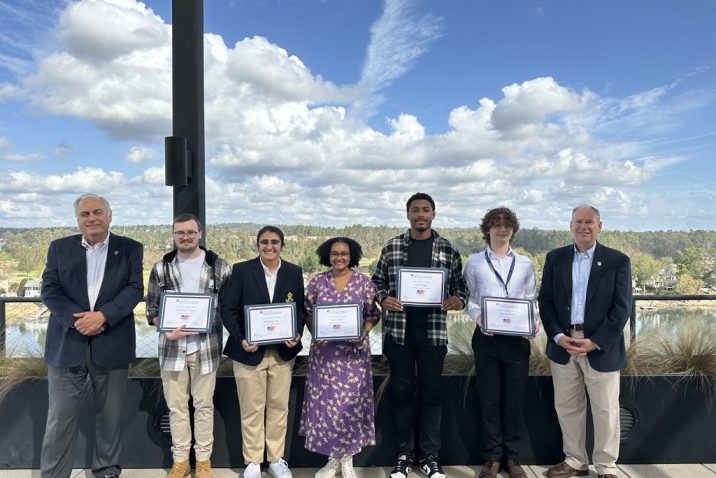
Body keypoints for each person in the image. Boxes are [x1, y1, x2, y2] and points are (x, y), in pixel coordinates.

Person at [40, 193, 144, 478]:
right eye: (85, 214)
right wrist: (79, 322)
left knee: (110, 418)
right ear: (78, 219)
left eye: (97, 212)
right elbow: (49, 290)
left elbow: (134, 290)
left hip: (112, 343)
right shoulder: (59, 248)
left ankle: (107, 471)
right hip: (67, 344)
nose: (92, 218)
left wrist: (103, 316)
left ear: (110, 216)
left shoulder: (131, 248)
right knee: (59, 420)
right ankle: (53, 474)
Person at [372, 192, 468, 478]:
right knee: (400, 394)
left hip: (433, 334)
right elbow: (376, 282)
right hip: (399, 335)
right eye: (416, 210)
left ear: (433, 214)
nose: (421, 215)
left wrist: (458, 301)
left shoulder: (448, 249)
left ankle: (429, 455)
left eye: (426, 210)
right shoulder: (391, 247)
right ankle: (403, 454)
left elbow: (460, 287)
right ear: (408, 215)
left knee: (432, 395)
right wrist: (384, 298)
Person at [538, 205, 632, 478]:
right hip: (564, 345)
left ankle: (606, 466)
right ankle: (574, 460)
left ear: (600, 226)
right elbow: (546, 302)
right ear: (570, 226)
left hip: (600, 348)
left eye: (589, 222)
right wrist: (557, 336)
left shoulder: (617, 261)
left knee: (605, 409)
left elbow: (621, 308)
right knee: (568, 407)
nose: (584, 227)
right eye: (578, 222)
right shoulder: (555, 258)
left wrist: (596, 341)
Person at [146, 213, 232, 478]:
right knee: (176, 407)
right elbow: (151, 308)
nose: (185, 237)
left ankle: (204, 460)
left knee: (204, 406)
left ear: (200, 233)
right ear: (173, 235)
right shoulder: (161, 267)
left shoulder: (219, 266)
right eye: (180, 233)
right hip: (171, 349)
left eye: (190, 232)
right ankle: (181, 460)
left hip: (206, 349)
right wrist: (164, 327)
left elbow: (230, 308)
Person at [220, 226, 305, 478]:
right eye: (264, 242)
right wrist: (242, 337)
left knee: (279, 407)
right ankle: (253, 461)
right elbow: (228, 309)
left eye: (275, 242)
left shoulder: (294, 272)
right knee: (251, 408)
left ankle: (276, 459)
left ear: (282, 245)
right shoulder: (242, 270)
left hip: (281, 353)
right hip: (249, 352)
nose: (270, 246)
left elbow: (299, 309)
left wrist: (296, 332)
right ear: (257, 244)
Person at [463, 207, 538, 478]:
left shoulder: (526, 264)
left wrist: (534, 322)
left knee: (515, 401)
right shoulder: (474, 262)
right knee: (489, 400)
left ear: (513, 229)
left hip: (517, 341)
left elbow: (531, 299)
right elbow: (469, 300)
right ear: (488, 229)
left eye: (507, 224)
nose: (502, 229)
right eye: (496, 224)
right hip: (486, 339)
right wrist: (479, 317)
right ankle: (492, 458)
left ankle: (513, 459)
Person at [299, 237, 380, 478]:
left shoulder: (364, 283)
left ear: (351, 255)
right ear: (327, 256)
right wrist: (316, 334)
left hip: (353, 355)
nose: (339, 258)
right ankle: (332, 460)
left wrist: (362, 334)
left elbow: (372, 315)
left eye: (344, 253)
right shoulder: (317, 282)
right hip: (324, 356)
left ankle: (348, 460)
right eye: (334, 254)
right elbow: (307, 313)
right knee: (327, 408)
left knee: (350, 407)